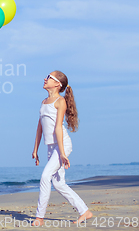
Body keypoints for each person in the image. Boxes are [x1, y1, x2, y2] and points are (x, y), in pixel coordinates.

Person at [31, 71, 93, 226]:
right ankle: (84, 211)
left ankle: (39, 217)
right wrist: (35, 149)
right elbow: (39, 128)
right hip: (51, 147)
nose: (45, 79)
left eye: (49, 77)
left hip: (62, 145)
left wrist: (63, 153)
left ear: (58, 84)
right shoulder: (44, 101)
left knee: (45, 176)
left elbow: (58, 128)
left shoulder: (60, 101)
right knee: (59, 184)